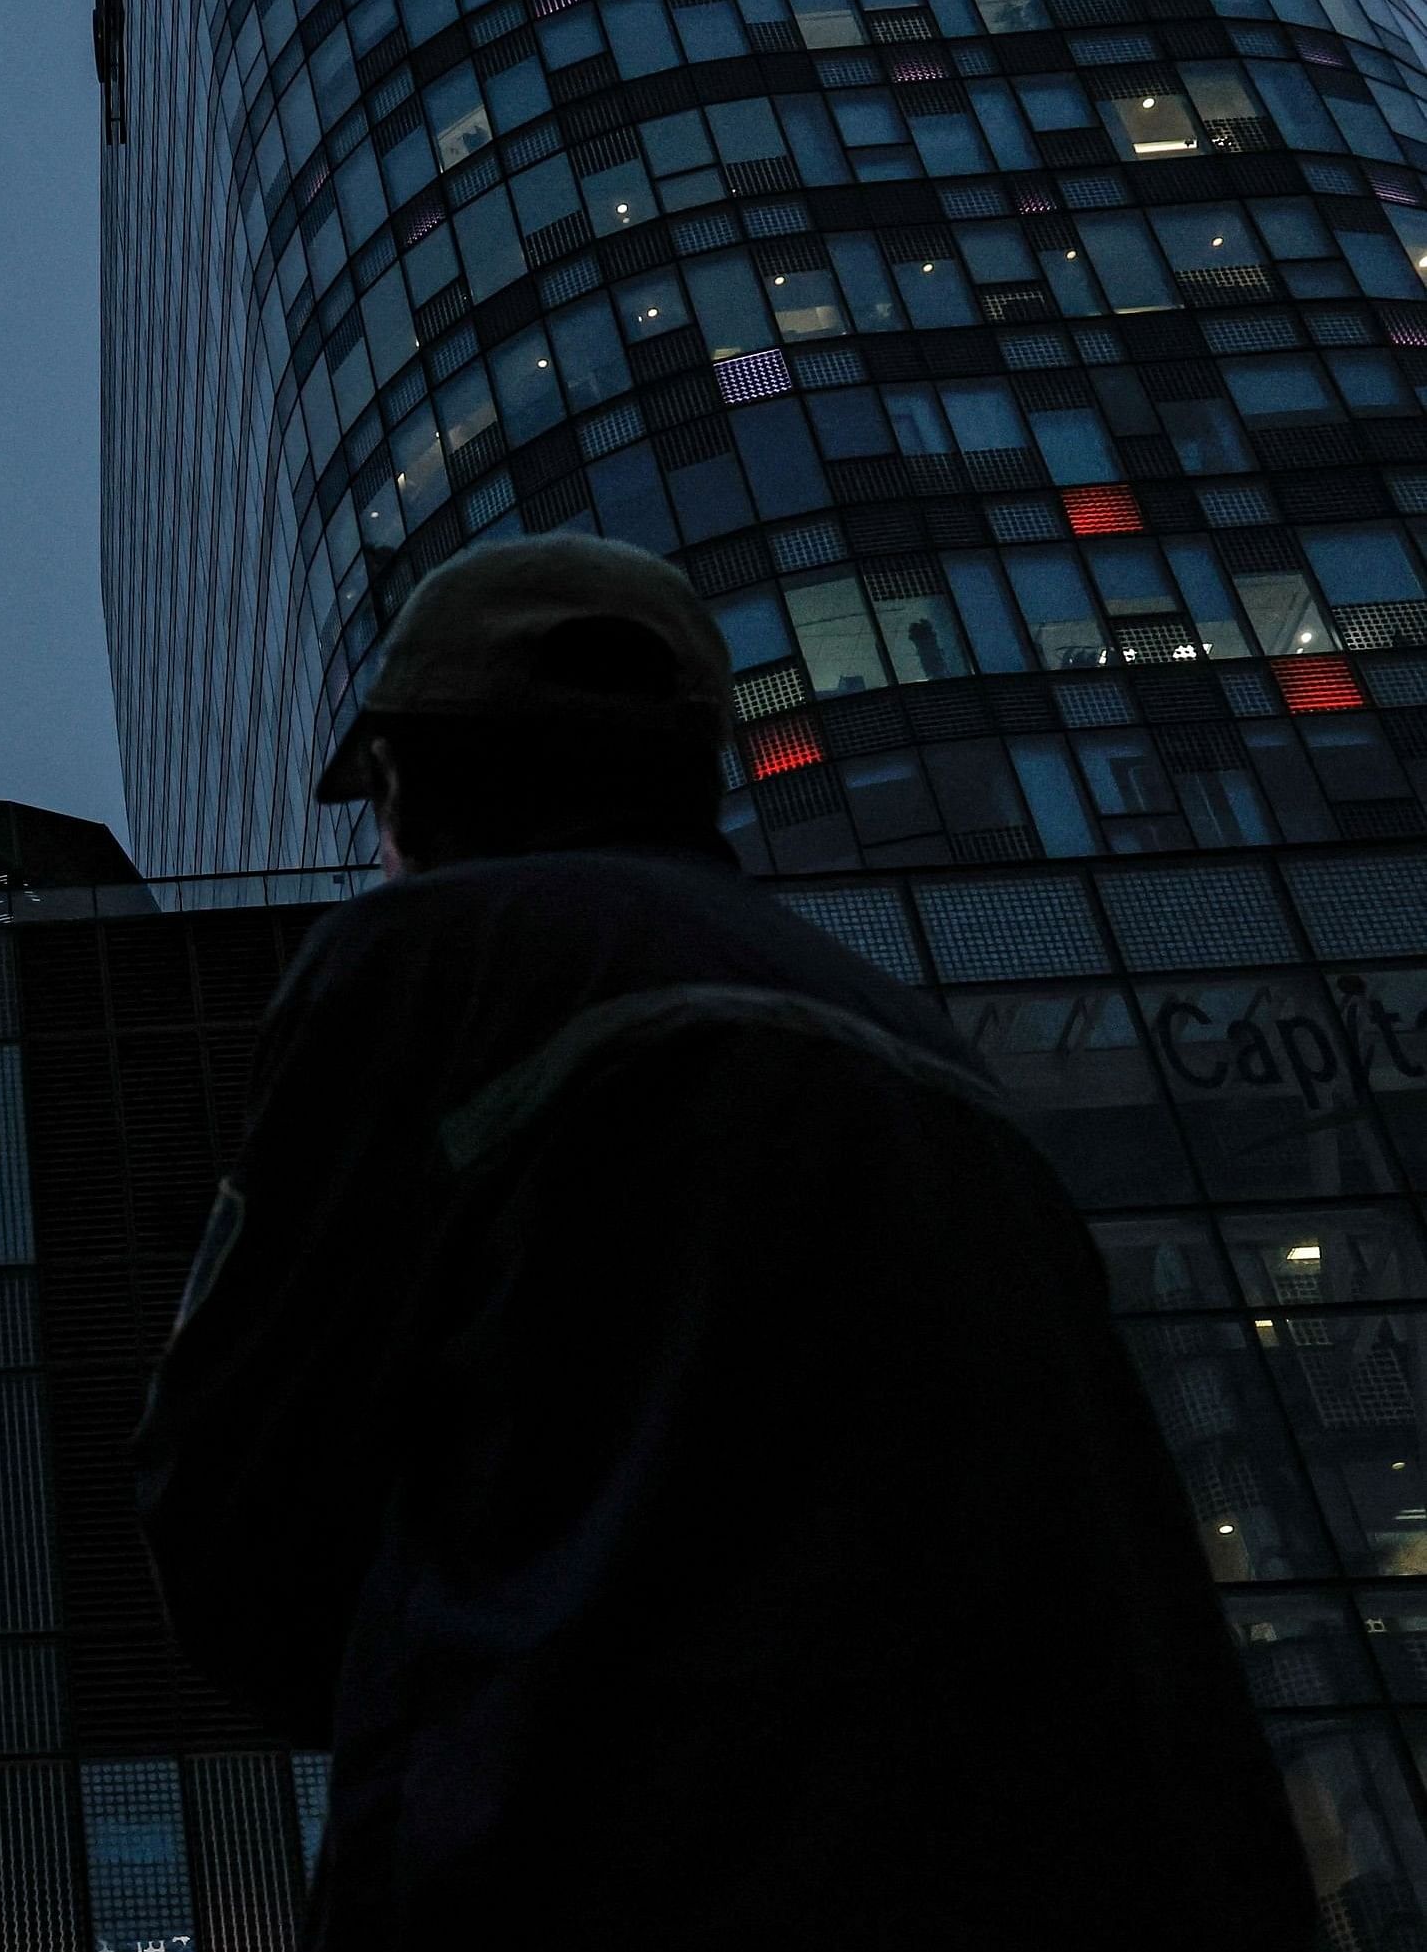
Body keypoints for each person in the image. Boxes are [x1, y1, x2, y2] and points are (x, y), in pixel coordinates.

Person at [133, 534, 1310, 1947]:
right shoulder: (937, 1060)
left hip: (603, 1859)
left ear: (413, 772)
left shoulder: (434, 957)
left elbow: (228, 1496)